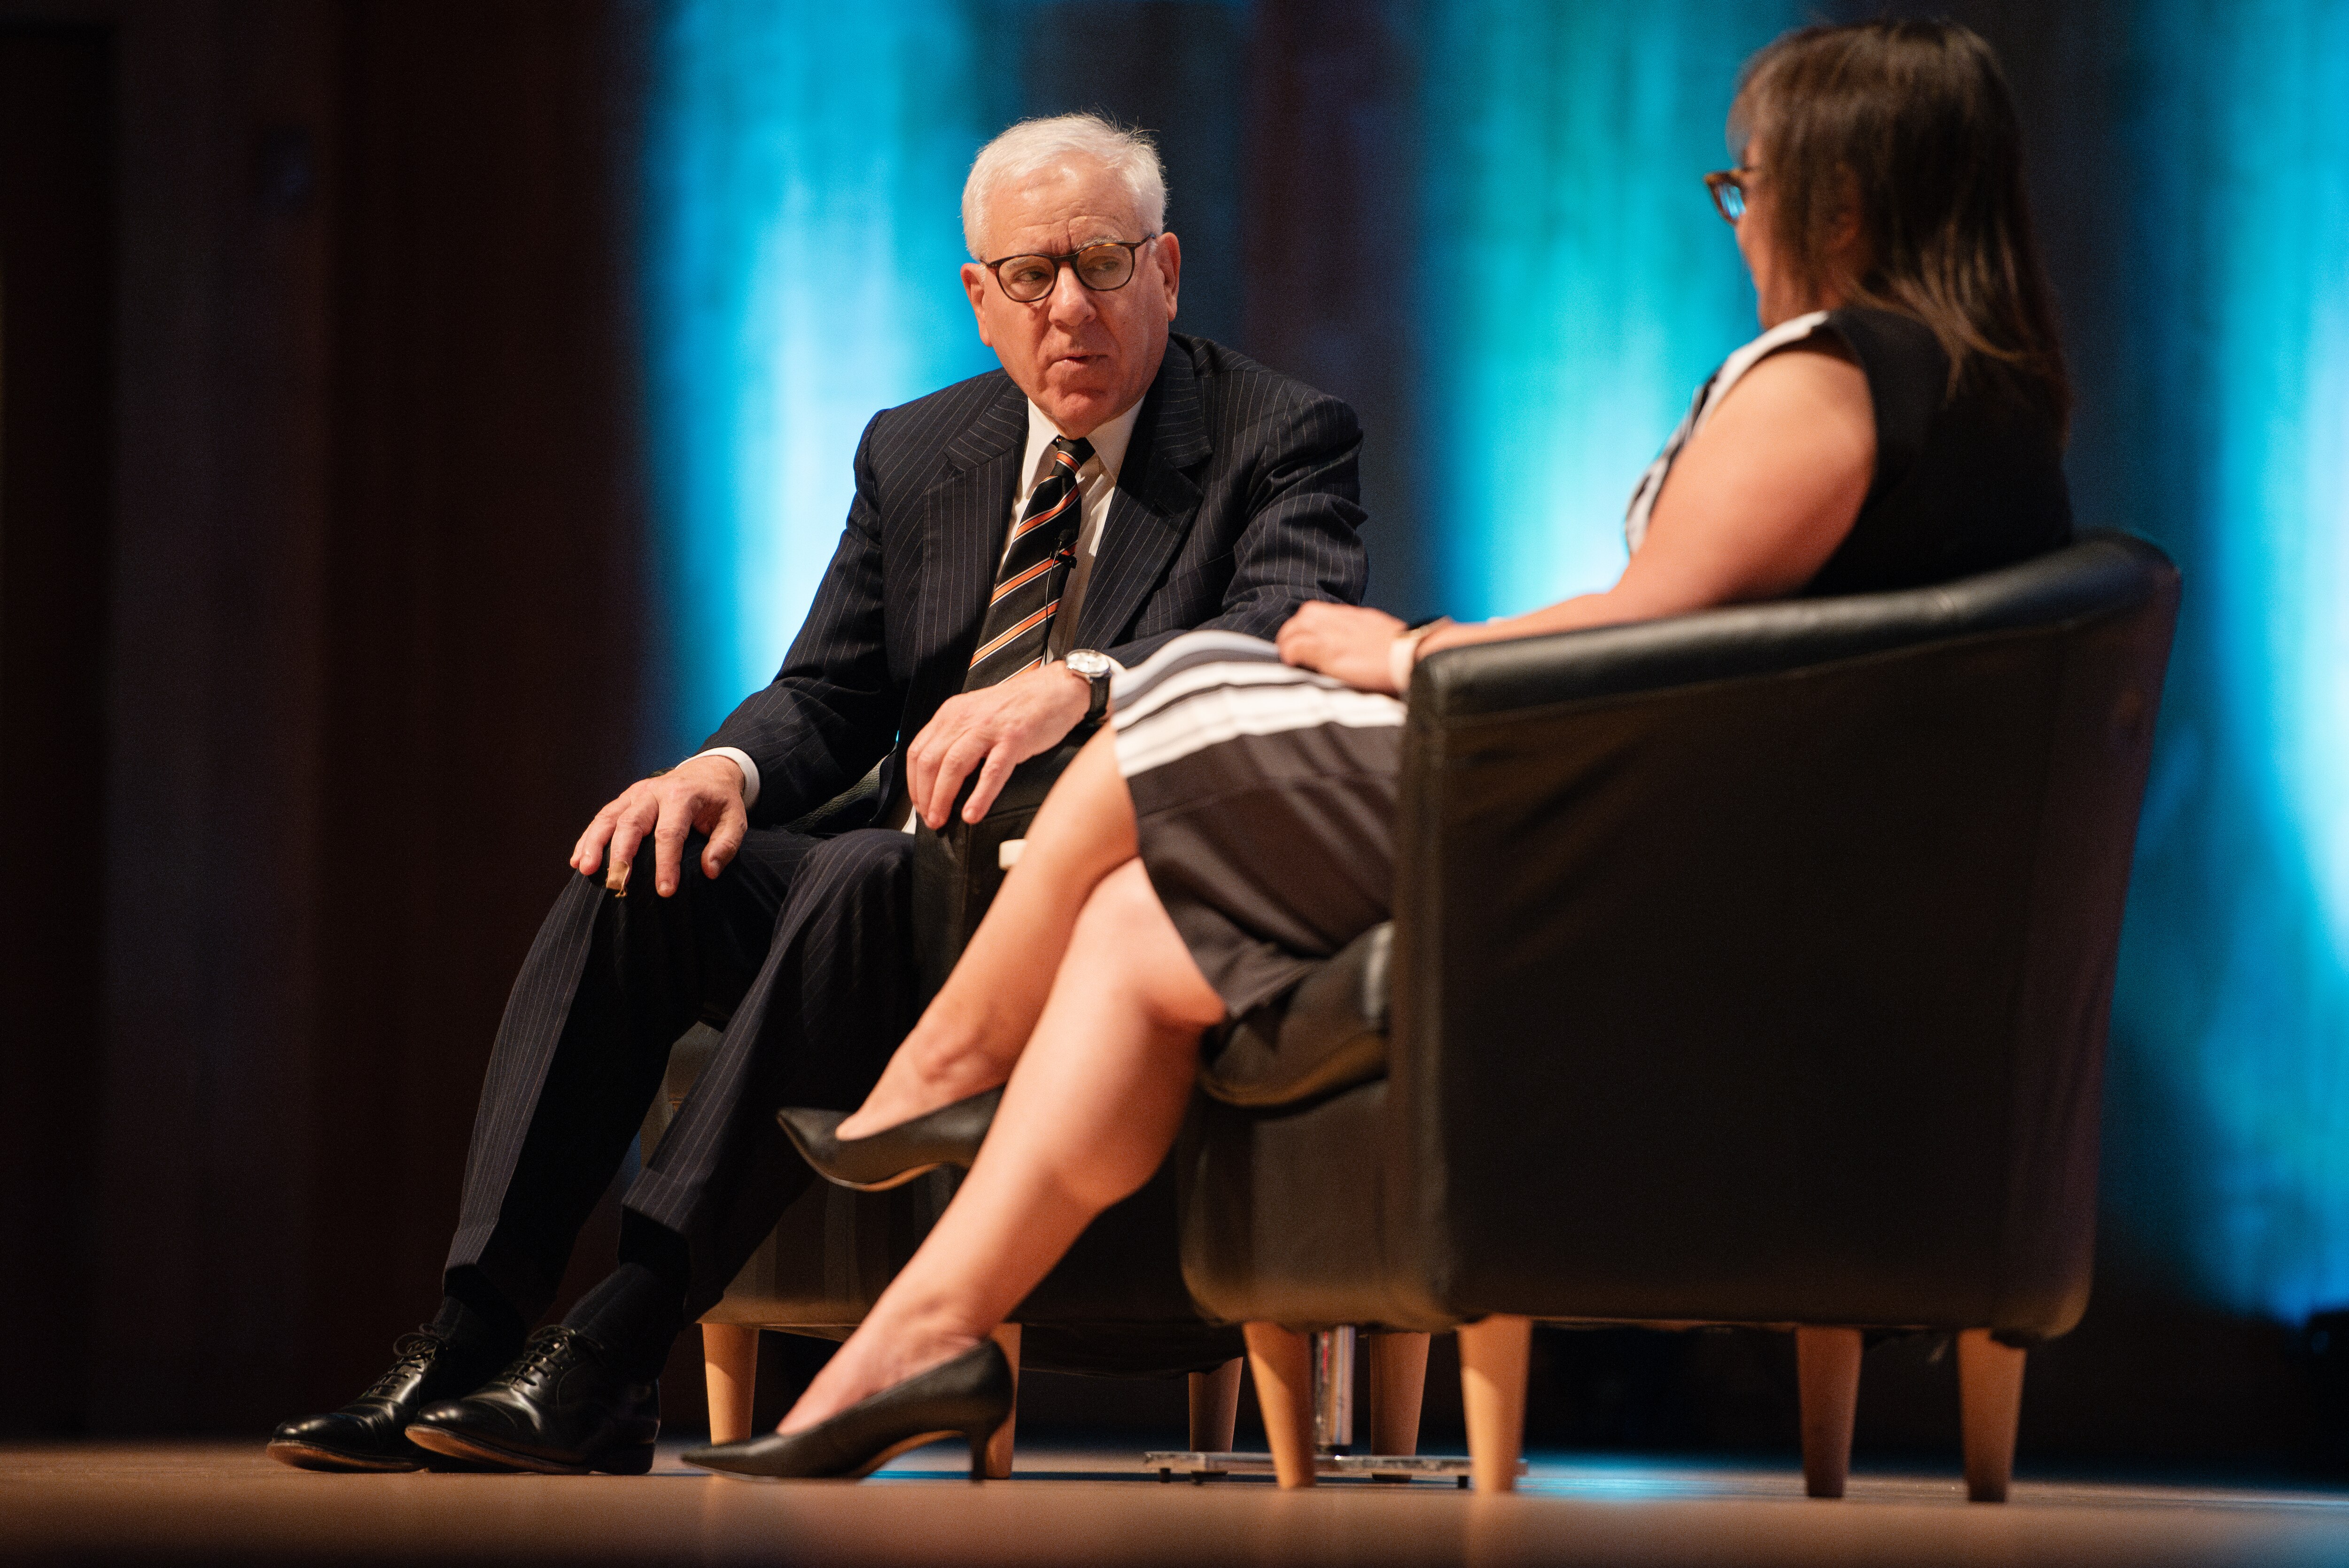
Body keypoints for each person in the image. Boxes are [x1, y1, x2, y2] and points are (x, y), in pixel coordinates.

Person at [696, 18, 2076, 1480]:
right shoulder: (1991, 396)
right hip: (1729, 833)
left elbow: (1644, 650)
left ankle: (944, 1066)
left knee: (1192, 692)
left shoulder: (1830, 380)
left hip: (1636, 845)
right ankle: (926, 1334)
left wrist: (1410, 653)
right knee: (1142, 921)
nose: (1745, 226)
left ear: (1842, 202)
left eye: (1752, 188)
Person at [266, 112, 1369, 1476]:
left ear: (1169, 270)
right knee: (643, 870)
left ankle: (622, 1338)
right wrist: (713, 769)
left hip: (1092, 902)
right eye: (1032, 275)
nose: (1070, 305)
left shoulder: (1282, 437)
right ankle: (471, 1325)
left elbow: (1285, 637)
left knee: (856, 872)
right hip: (898, 893)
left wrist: (1081, 679)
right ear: (981, 299)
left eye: (1103, 261)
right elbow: (830, 695)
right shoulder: (916, 452)